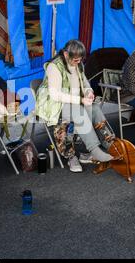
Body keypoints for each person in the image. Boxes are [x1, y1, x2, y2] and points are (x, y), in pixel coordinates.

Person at [36, 40, 120, 173]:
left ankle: (109, 142)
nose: (78, 62)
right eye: (75, 59)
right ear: (65, 54)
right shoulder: (54, 67)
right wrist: (80, 99)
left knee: (95, 108)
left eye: (80, 59)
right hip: (54, 105)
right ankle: (94, 150)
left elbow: (85, 83)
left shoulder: (78, 64)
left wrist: (89, 92)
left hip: (73, 101)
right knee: (79, 111)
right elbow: (55, 95)